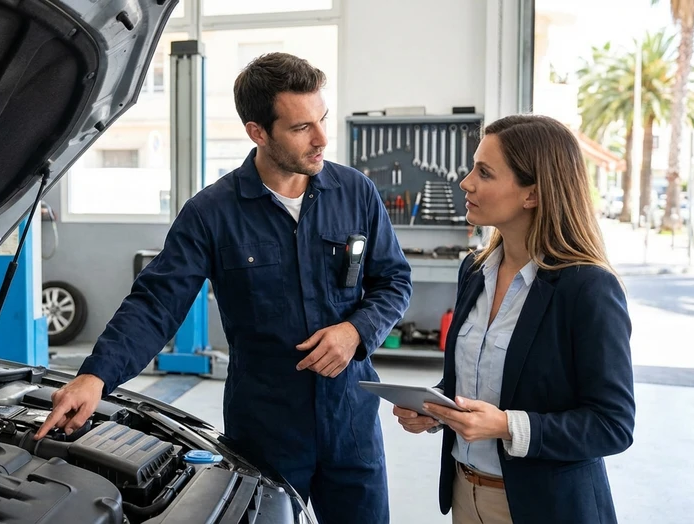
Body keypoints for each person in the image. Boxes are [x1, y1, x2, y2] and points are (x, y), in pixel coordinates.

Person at [35, 52, 412, 524]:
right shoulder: (213, 212)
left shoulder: (355, 192)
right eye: (300, 128)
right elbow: (156, 302)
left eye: (322, 119)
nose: (321, 139)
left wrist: (356, 331)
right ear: (258, 132)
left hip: (350, 421)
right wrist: (96, 375)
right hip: (265, 430)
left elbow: (394, 280)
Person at [394, 114, 634, 524]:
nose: (466, 182)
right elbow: (476, 382)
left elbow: (612, 425)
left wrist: (507, 426)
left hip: (545, 507)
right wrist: (437, 407)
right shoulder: (474, 270)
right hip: (464, 493)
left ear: (532, 195)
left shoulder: (588, 288)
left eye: (484, 173)